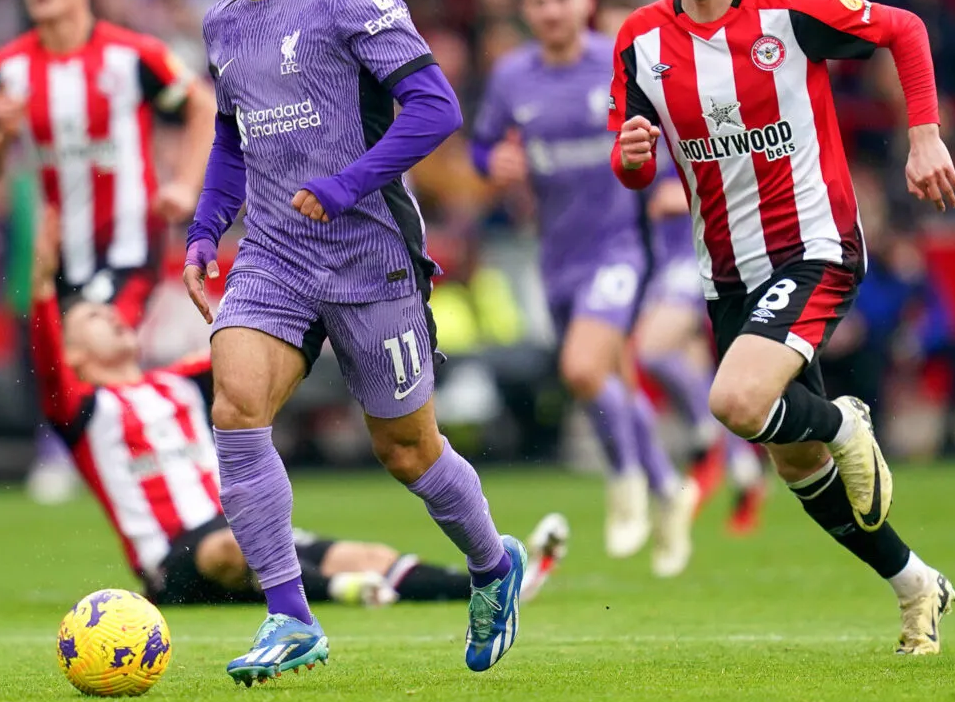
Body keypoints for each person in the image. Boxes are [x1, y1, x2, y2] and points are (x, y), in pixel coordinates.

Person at [182, 0, 525, 684]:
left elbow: (435, 108)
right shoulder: (222, 26)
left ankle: (493, 564)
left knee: (407, 451)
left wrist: (344, 185)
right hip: (275, 257)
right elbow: (232, 138)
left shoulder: (354, 0)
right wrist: (203, 227)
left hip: (370, 259)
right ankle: (290, 616)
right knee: (235, 402)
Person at [609, 0, 955, 655]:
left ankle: (846, 417)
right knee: (795, 461)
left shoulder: (790, 12)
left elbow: (903, 28)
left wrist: (924, 134)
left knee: (735, 402)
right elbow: (631, 162)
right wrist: (632, 152)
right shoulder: (638, 39)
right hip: (724, 269)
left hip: (814, 246)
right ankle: (916, 583)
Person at [28, 207, 567, 611]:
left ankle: (493, 589)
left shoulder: (180, 381)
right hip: (174, 558)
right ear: (73, 352)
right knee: (229, 549)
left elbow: (260, 347)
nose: (115, 319)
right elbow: (46, 362)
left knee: (366, 552)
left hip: (240, 526)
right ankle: (338, 592)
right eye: (95, 320)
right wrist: (41, 284)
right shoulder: (81, 409)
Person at [0, 0, 218, 504]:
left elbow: (203, 107)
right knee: (60, 364)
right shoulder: (8, 70)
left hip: (129, 244)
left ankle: (150, 465)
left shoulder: (133, 56)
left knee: (92, 345)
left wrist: (184, 185)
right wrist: (2, 136)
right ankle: (164, 447)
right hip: (54, 251)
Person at [471, 0, 695, 578]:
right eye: (538, 1)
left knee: (581, 367)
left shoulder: (619, 65)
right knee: (605, 379)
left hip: (620, 247)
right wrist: (496, 166)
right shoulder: (514, 75)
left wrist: (674, 187)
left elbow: (670, 132)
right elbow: (484, 147)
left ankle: (624, 480)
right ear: (525, 10)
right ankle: (667, 487)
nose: (550, 11)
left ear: (586, 3)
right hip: (558, 256)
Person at [634, 153, 769, 534]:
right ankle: (746, 475)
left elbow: (727, 182)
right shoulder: (637, 134)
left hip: (698, 259)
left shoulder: (683, 124)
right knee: (700, 376)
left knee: (651, 349)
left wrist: (677, 196)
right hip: (664, 263)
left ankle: (704, 435)